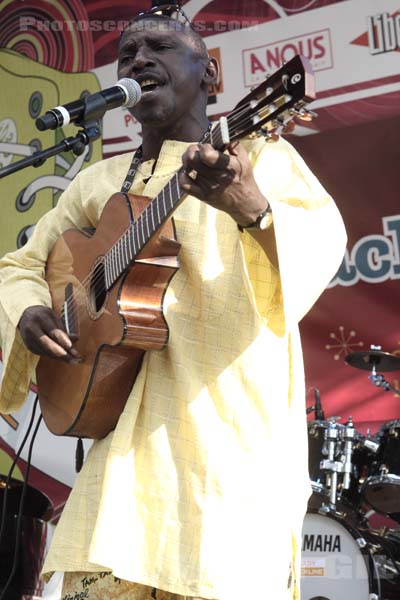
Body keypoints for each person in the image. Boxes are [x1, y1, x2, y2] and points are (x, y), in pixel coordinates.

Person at [0, 4, 346, 600]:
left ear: (209, 75)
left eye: (159, 47)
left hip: (224, 452)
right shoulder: (97, 183)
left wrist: (251, 208)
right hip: (119, 472)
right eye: (128, 51)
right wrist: (30, 310)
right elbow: (22, 265)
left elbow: (322, 243)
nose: (138, 58)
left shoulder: (262, 158)